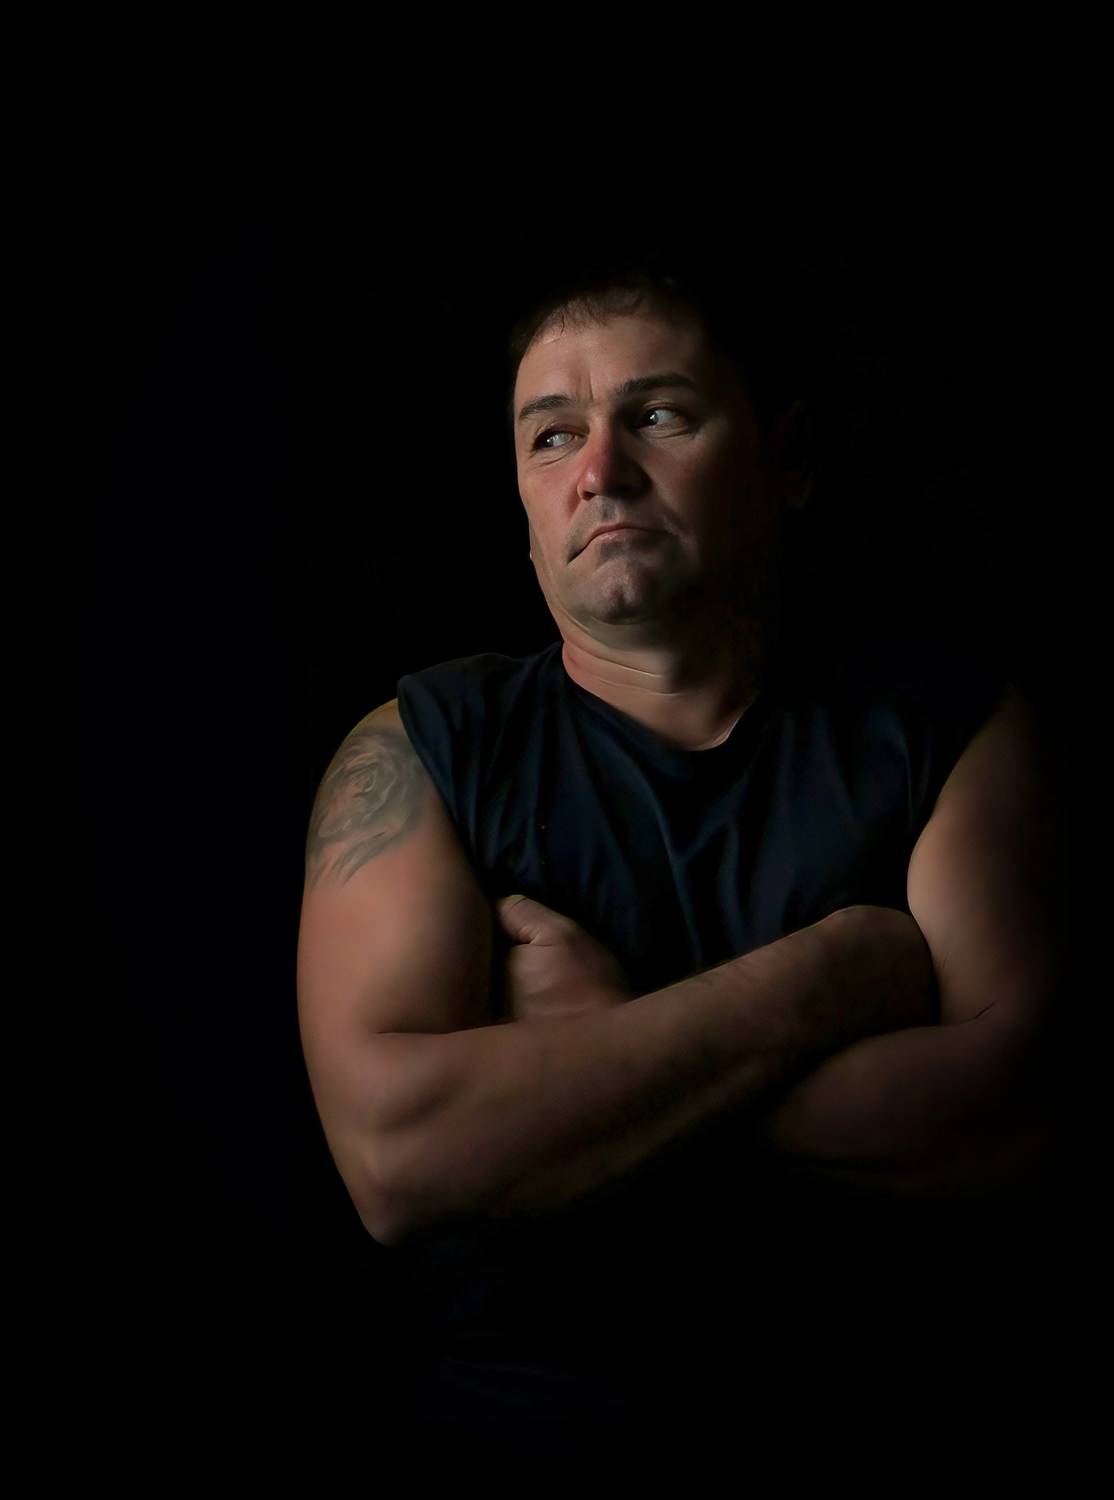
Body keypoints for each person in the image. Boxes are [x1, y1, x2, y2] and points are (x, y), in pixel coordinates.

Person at [295, 262, 1066, 1458]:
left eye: (657, 415)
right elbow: (400, 1158)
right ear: (522, 505)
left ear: (786, 459)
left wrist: (603, 1044)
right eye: (552, 436)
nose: (599, 470)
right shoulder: (420, 749)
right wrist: (820, 984)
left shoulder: (944, 731)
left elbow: (1023, 1121)